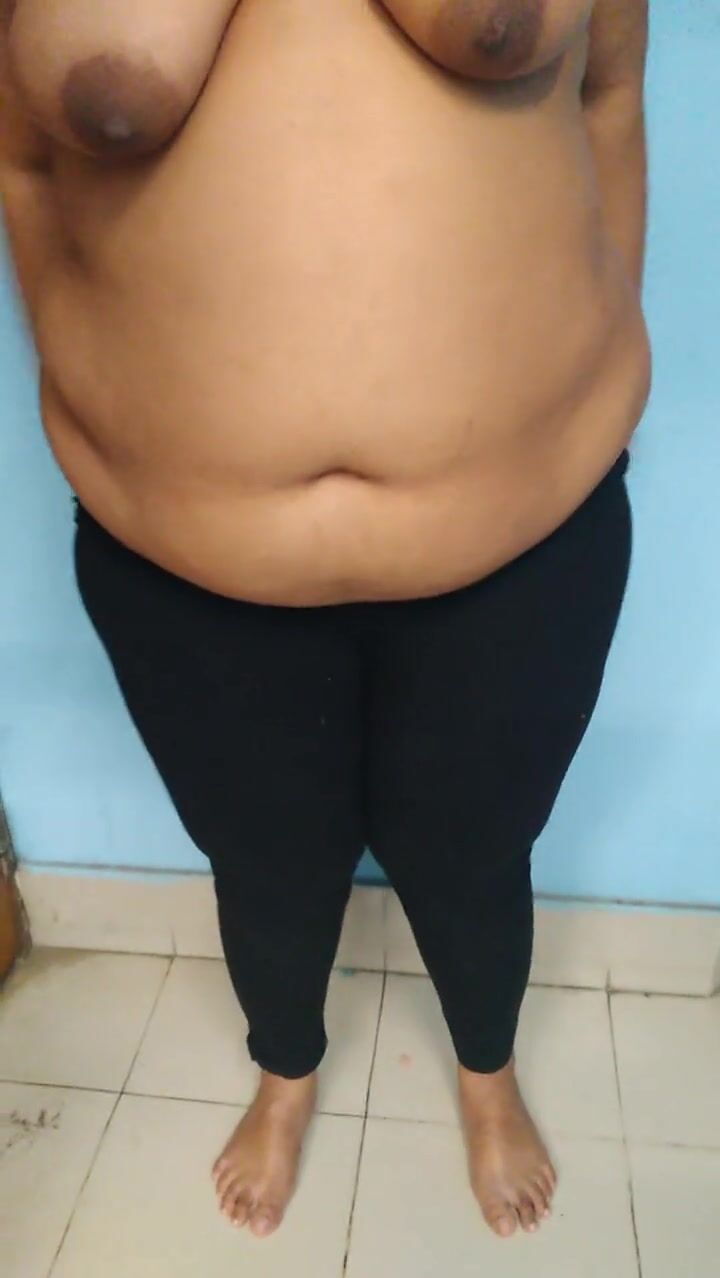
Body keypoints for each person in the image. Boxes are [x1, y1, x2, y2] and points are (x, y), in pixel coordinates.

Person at [0, 0, 651, 1244]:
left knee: (475, 856)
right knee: (264, 865)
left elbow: (609, 93)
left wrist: (577, 349)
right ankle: (285, 1071)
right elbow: (26, 163)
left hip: (521, 543)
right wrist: (102, 381)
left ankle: (486, 1072)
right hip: (182, 566)